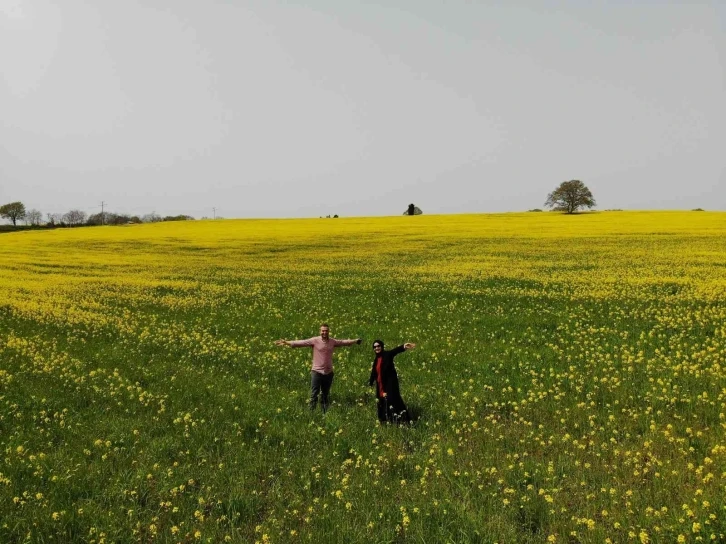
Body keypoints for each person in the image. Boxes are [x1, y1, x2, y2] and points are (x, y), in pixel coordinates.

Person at [275, 323, 361, 412]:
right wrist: (286, 342)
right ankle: (311, 414)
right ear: (320, 331)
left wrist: (355, 341)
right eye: (323, 331)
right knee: (314, 395)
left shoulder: (332, 341)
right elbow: (301, 342)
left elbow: (343, 342)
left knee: (325, 395)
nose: (324, 332)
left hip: (329, 373)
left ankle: (324, 413)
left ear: (329, 331)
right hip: (316, 372)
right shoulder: (315, 340)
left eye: (326, 331)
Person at [368, 340, 416, 424]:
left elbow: (395, 351)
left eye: (378, 346)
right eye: (374, 347)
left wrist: (403, 346)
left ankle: (403, 419)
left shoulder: (387, 354)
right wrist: (371, 381)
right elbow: (374, 371)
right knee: (381, 401)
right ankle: (385, 420)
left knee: (393, 399)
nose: (376, 348)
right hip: (380, 385)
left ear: (382, 346)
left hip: (390, 384)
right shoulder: (376, 359)